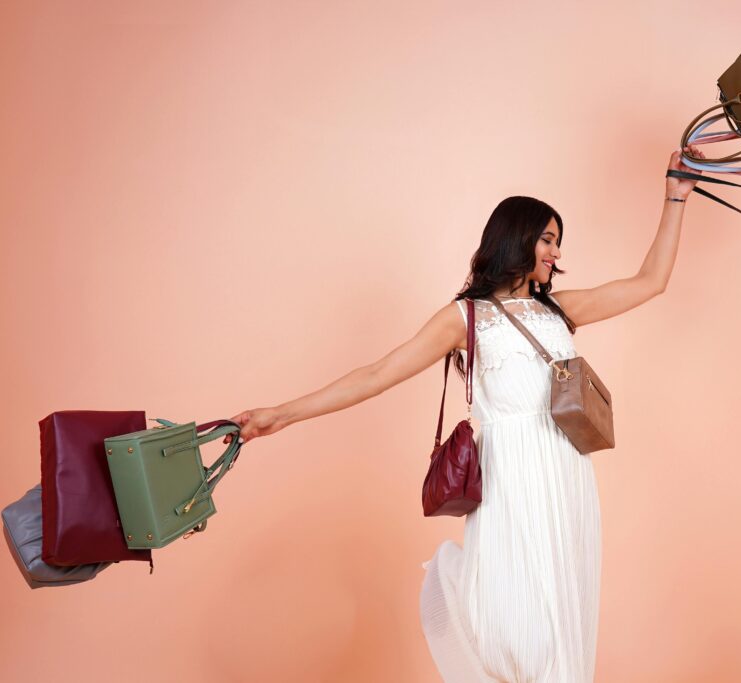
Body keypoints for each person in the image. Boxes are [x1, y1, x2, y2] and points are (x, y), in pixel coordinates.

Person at [224, 147, 705, 682]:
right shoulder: (465, 318)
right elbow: (377, 373)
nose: (556, 250)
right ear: (516, 238)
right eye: (546, 238)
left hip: (566, 477)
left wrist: (676, 195)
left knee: (563, 619)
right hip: (508, 479)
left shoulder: (560, 310)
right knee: (512, 621)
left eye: (556, 240)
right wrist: (284, 414)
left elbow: (650, 281)